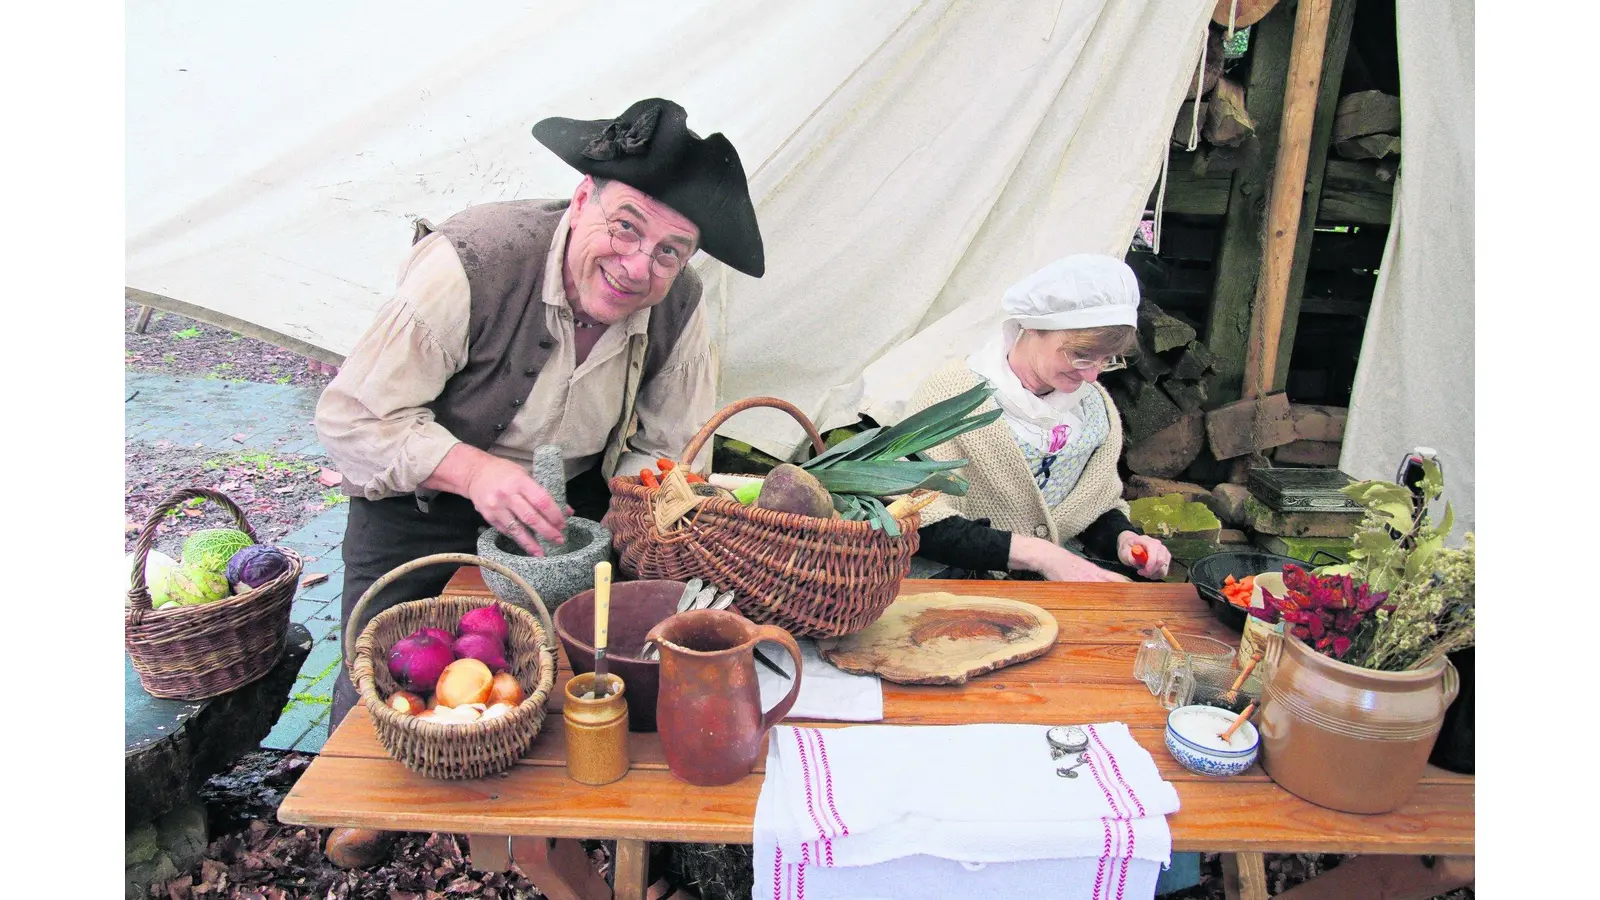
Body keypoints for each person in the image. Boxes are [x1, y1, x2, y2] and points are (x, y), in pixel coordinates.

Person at [314, 98, 765, 740]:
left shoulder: (682, 305)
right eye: (627, 227)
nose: (639, 266)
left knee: (599, 661)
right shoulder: (472, 261)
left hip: (574, 507)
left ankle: (573, 805)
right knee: (385, 677)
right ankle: (365, 816)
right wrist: (470, 471)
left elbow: (669, 449)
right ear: (583, 200)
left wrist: (626, 523)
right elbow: (351, 417)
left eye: (671, 252)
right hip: (421, 500)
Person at [905, 254, 1172, 582]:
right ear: (1033, 325)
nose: (1091, 376)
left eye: (1107, 361)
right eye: (1081, 356)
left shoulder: (1094, 409)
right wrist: (1040, 554)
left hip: (1051, 591)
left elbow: (1089, 508)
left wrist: (1124, 540)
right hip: (957, 587)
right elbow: (916, 518)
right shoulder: (950, 396)